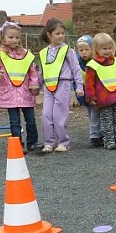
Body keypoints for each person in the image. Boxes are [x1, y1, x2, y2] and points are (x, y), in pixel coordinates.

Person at [0, 21, 40, 153]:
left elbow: (32, 71)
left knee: (31, 120)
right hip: (9, 94)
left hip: (25, 93)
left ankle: (32, 143)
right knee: (15, 122)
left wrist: (34, 84)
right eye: (10, 37)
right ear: (2, 38)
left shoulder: (26, 54)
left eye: (17, 37)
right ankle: (18, 145)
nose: (14, 40)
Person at [36, 19, 83, 153]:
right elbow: (42, 70)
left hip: (63, 84)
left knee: (59, 115)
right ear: (49, 34)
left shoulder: (68, 50)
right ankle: (49, 142)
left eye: (63, 33)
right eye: (57, 33)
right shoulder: (43, 52)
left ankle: (63, 142)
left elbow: (76, 68)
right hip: (48, 87)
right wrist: (36, 85)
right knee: (46, 114)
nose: (61, 36)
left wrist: (79, 86)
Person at [75, 35, 102, 147]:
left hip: (97, 93)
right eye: (81, 50)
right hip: (85, 93)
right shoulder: (77, 62)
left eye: (87, 49)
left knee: (96, 114)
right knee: (92, 115)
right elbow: (75, 79)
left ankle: (96, 135)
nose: (84, 52)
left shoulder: (97, 61)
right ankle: (96, 135)